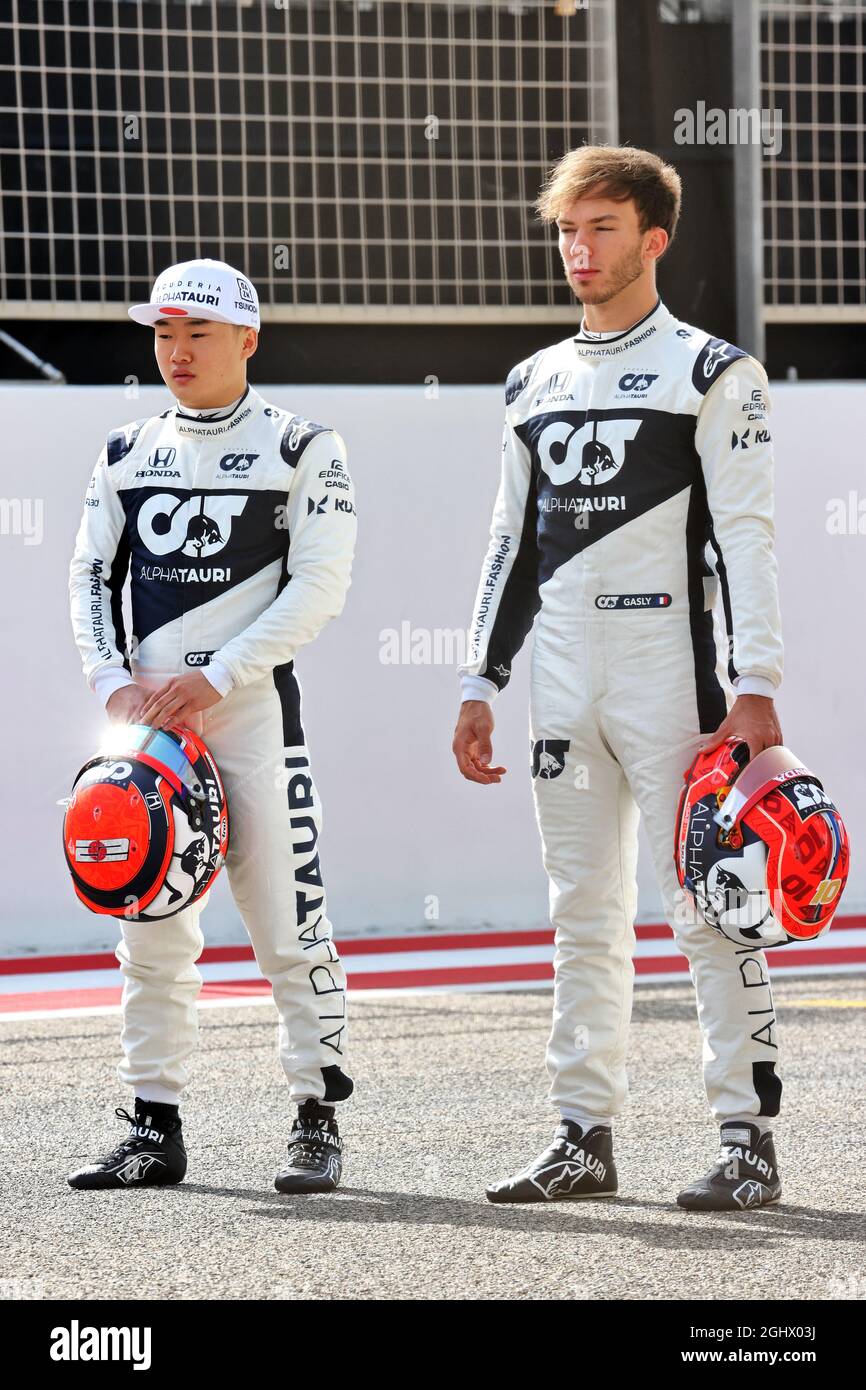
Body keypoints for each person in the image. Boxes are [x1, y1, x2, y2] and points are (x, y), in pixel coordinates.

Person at [452, 147, 785, 1211]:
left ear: (653, 239)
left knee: (707, 906)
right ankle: (580, 1137)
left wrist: (755, 681)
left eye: (598, 228)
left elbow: (745, 536)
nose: (576, 249)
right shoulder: (529, 380)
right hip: (559, 677)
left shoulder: (712, 371)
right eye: (565, 229)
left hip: (670, 674)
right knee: (578, 914)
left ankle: (746, 1143)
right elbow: (508, 540)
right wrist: (476, 677)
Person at [68, 258, 357, 1194]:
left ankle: (317, 1117)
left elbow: (320, 587)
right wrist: (114, 681)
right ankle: (153, 1125)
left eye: (197, 332)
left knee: (287, 922)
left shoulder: (306, 446)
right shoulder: (123, 451)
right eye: (162, 333)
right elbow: (87, 578)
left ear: (248, 339)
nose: (177, 351)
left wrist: (219, 675)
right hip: (145, 727)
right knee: (146, 922)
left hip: (252, 716)